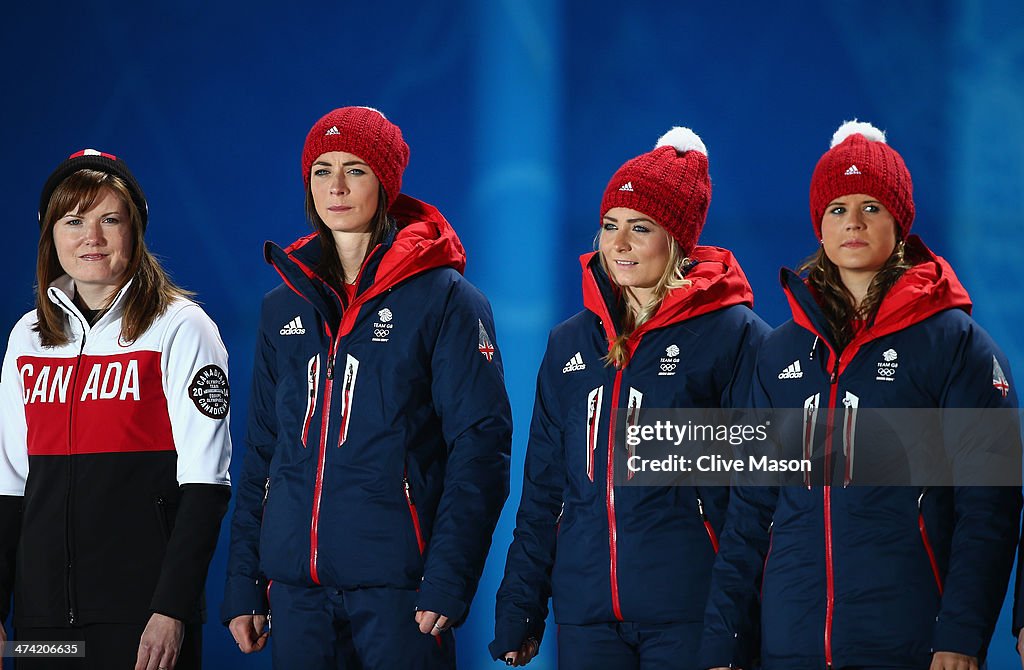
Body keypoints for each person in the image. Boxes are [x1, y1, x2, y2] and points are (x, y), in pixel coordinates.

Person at [700, 121, 1022, 670]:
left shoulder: (956, 344)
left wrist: (962, 636)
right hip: (790, 646)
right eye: (837, 208)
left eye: (871, 206)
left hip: (911, 645)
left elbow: (988, 504)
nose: (853, 221)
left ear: (899, 220)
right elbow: (750, 510)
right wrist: (724, 642)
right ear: (819, 226)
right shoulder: (779, 353)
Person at [221, 106, 512, 669]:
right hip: (296, 593)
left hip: (400, 592)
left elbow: (481, 447)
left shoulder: (446, 299)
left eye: (355, 169)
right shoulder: (283, 304)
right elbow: (260, 451)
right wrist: (243, 579)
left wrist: (450, 576)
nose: (336, 186)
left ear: (385, 181)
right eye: (321, 170)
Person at [491, 127, 769, 669]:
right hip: (588, 614)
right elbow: (545, 488)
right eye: (609, 226)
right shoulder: (570, 342)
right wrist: (521, 606)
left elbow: (756, 493)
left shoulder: (736, 336)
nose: (616, 245)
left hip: (692, 610)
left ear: (677, 240)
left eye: (639, 229)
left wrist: (735, 622)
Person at [0, 149, 233, 669]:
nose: (93, 238)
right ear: (50, 233)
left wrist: (172, 608)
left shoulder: (181, 327)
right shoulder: (29, 336)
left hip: (142, 620)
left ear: (136, 229)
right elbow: (9, 483)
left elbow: (207, 485)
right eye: (74, 220)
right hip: (40, 623)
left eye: (111, 220)